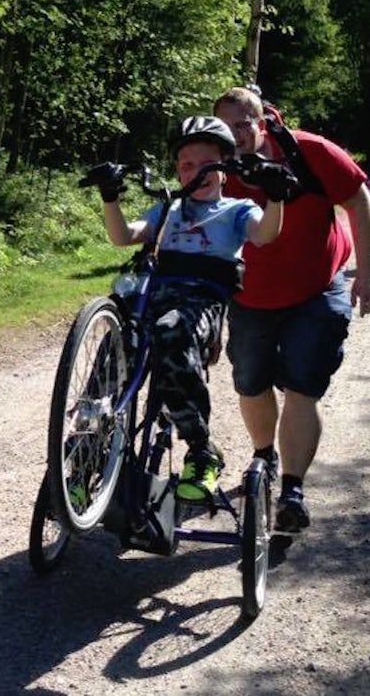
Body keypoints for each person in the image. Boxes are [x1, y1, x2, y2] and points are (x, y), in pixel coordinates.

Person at [91, 116, 286, 502]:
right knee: (119, 340)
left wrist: (276, 197)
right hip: (153, 296)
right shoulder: (168, 209)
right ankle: (90, 448)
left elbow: (265, 234)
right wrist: (110, 197)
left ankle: (201, 449)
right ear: (178, 172)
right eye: (187, 165)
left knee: (171, 331)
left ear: (226, 168)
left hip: (199, 306)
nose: (198, 172)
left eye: (208, 163)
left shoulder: (236, 210)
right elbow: (123, 237)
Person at [213, 87, 370, 535]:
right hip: (250, 296)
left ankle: (292, 491)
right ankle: (264, 456)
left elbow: (359, 203)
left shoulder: (310, 151)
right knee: (250, 381)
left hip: (317, 289)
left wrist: (365, 273)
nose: (236, 135)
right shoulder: (215, 165)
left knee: (303, 386)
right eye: (226, 127)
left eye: (243, 124)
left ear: (262, 122)